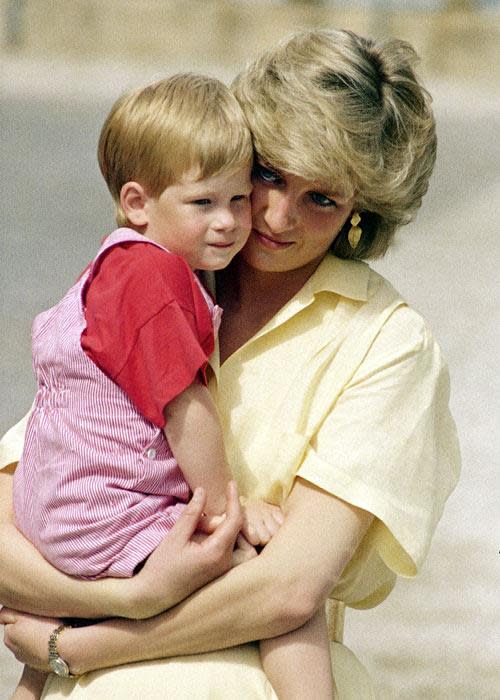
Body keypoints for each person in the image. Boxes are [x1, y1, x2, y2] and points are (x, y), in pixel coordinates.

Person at [0, 28, 460, 699]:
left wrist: (78, 642)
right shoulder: (152, 283)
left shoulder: (387, 343)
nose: (274, 215)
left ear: (362, 213)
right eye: (268, 174)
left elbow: (286, 590)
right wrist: (124, 601)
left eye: (322, 198)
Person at [5, 71, 336, 700]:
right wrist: (225, 510)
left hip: (56, 510)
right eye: (203, 203)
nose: (229, 223)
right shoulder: (152, 281)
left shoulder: (118, 264)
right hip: (102, 514)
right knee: (275, 588)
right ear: (137, 203)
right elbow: (187, 409)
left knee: (54, 643)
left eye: (239, 199)